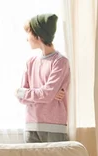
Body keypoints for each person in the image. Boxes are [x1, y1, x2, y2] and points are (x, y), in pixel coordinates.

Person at [16, 13, 70, 143]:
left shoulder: (60, 62)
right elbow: (21, 98)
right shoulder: (31, 62)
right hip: (30, 126)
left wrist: (23, 92)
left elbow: (45, 94)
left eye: (28, 34)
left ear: (38, 36)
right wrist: (43, 94)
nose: (27, 39)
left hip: (54, 128)